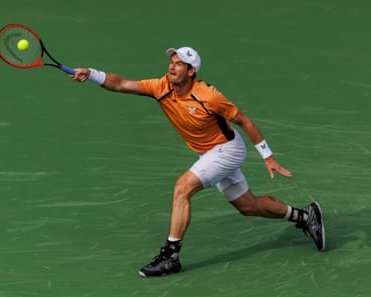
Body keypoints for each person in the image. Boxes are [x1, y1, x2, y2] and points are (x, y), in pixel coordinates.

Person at [69, 46, 325, 278]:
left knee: (183, 188)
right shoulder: (161, 87)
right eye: (171, 61)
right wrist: (91, 73)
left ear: (191, 71)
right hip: (208, 153)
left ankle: (171, 256)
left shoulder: (209, 96)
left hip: (227, 149)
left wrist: (267, 156)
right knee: (248, 206)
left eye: (179, 63)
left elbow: (243, 120)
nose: (172, 66)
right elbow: (122, 84)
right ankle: (305, 216)